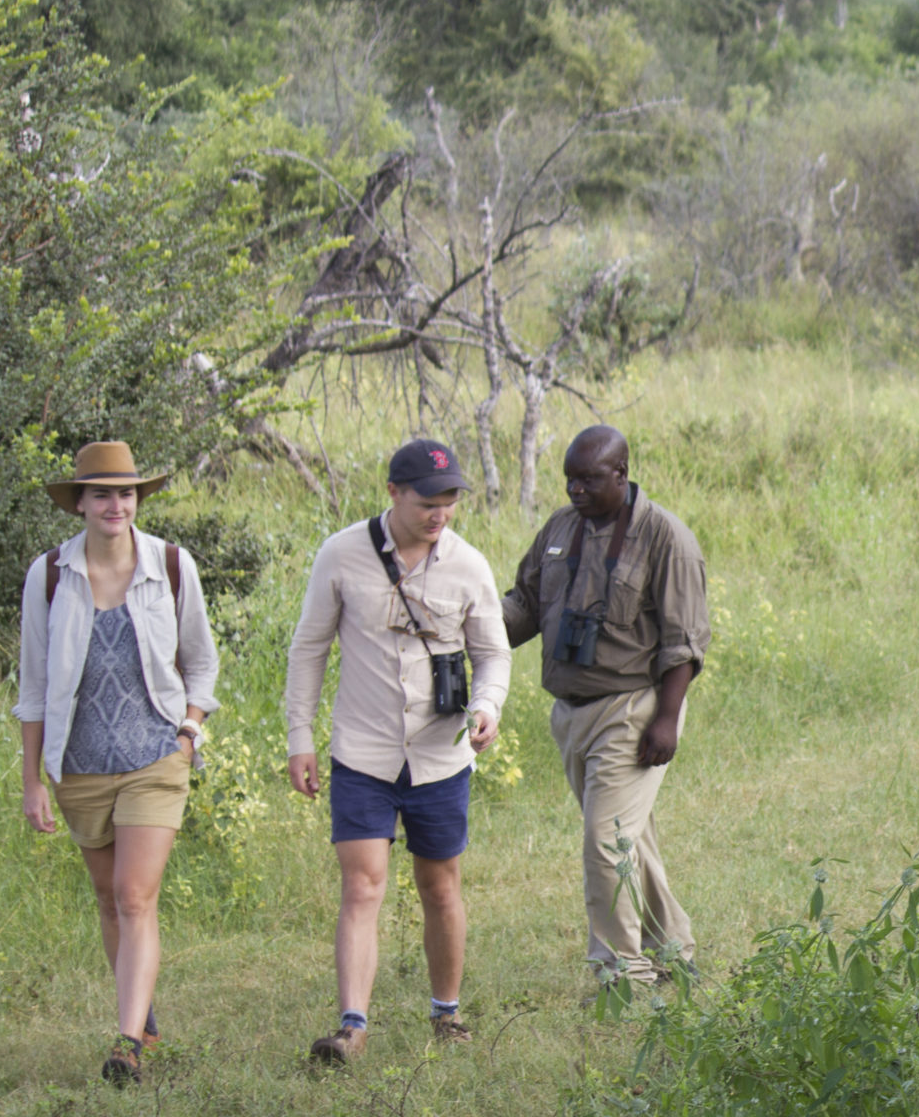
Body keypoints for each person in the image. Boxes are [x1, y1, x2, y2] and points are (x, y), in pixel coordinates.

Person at [286, 438, 512, 1062]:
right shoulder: (340, 554)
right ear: (393, 492)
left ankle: (447, 1013)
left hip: (440, 756)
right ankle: (352, 1028)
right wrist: (298, 738)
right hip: (362, 751)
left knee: (440, 884)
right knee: (362, 886)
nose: (439, 512)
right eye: (427, 501)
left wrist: (487, 708)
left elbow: (493, 654)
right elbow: (308, 650)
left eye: (450, 500)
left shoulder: (469, 565)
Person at [15, 441, 220, 1088]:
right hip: (78, 766)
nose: (115, 504)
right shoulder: (49, 575)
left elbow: (202, 662)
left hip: (155, 758)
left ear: (138, 499)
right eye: (101, 493)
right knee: (109, 900)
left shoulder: (170, 564)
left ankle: (126, 1043)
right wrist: (32, 782)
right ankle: (146, 1015)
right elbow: (33, 685)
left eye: (126, 492)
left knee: (134, 896)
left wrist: (188, 732)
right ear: (78, 501)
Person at [501, 424, 710, 989]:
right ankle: (674, 949)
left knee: (605, 841)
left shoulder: (666, 537)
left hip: (632, 708)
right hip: (572, 713)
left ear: (622, 473)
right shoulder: (561, 529)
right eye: (569, 479)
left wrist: (667, 719)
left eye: (589, 480)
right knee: (628, 838)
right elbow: (522, 603)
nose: (576, 491)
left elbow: (684, 643)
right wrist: (467, 634)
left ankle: (624, 975)